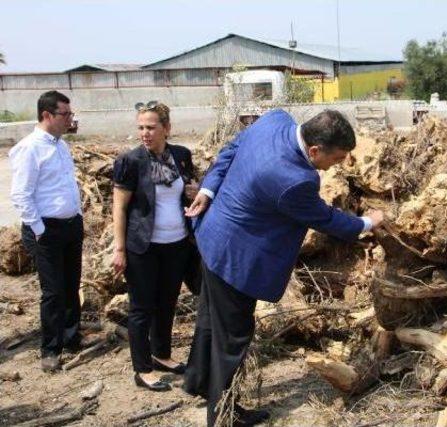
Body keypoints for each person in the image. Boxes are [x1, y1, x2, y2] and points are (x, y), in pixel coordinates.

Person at [182, 109, 385, 425]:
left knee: (211, 319)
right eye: (338, 158)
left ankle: (198, 381)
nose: (339, 165)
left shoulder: (274, 120)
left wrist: (208, 190)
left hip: (213, 236)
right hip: (237, 259)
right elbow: (326, 219)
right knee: (233, 337)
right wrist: (367, 221)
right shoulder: (295, 180)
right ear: (315, 150)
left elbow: (232, 149)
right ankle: (221, 416)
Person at [111, 101, 198, 391]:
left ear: (166, 128)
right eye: (141, 127)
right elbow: (120, 208)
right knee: (141, 308)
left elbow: (188, 192)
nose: (145, 133)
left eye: (151, 127)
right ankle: (143, 369)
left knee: (167, 304)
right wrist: (119, 249)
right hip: (142, 247)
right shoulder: (130, 161)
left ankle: (162, 354)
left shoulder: (181, 156)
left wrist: (194, 192)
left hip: (176, 244)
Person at [10, 90, 84, 372]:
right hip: (46, 230)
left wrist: (76, 215)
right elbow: (21, 195)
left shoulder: (60, 145)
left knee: (71, 283)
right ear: (47, 115)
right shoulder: (30, 148)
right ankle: (50, 348)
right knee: (52, 291)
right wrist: (40, 230)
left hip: (70, 226)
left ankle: (71, 336)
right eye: (65, 115)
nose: (70, 120)